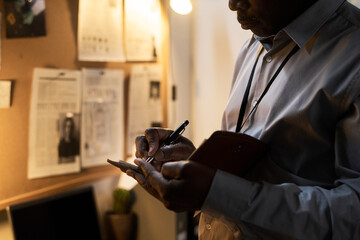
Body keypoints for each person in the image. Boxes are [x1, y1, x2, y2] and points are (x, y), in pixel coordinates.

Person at [127, 0, 360, 239]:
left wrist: (215, 192)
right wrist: (198, 165)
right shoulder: (254, 46)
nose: (232, 4)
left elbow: (353, 218)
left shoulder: (354, 57)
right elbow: (264, 171)